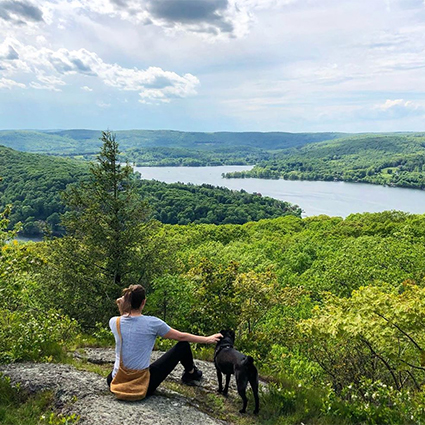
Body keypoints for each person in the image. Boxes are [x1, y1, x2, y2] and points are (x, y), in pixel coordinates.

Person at [107, 284, 222, 396]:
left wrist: (122, 306)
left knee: (115, 372)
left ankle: (191, 373)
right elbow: (181, 337)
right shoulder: (153, 323)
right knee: (183, 346)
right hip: (143, 385)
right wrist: (207, 339)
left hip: (116, 380)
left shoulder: (114, 322)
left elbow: (125, 319)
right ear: (143, 302)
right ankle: (191, 373)